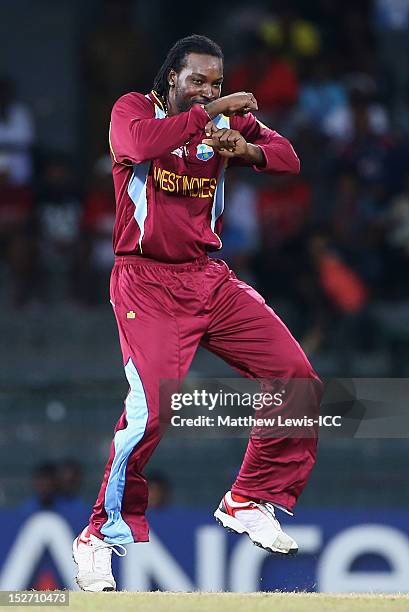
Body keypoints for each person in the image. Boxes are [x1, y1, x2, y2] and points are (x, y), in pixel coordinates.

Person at [72, 35, 323, 592]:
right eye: (199, 81)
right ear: (171, 81)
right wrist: (212, 113)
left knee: (298, 380)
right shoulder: (134, 110)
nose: (209, 91)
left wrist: (246, 149)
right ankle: (96, 537)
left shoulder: (217, 127)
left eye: (216, 82)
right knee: (151, 412)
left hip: (209, 278)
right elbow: (136, 145)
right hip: (146, 283)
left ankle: (248, 497)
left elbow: (289, 158)